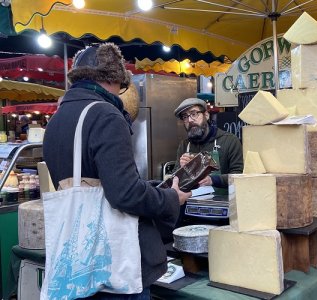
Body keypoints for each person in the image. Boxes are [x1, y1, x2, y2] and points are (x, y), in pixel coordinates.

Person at [43, 43, 191, 299]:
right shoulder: (106, 115)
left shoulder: (57, 120)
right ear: (113, 79)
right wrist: (170, 198)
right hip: (114, 266)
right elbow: (125, 194)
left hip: (76, 257)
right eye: (122, 86)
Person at [174, 98, 243, 189]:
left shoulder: (230, 141)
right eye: (185, 117)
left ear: (206, 115)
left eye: (194, 114)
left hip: (222, 201)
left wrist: (213, 180)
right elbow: (174, 180)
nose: (190, 120)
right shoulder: (185, 145)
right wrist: (182, 169)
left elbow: (239, 176)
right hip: (191, 201)